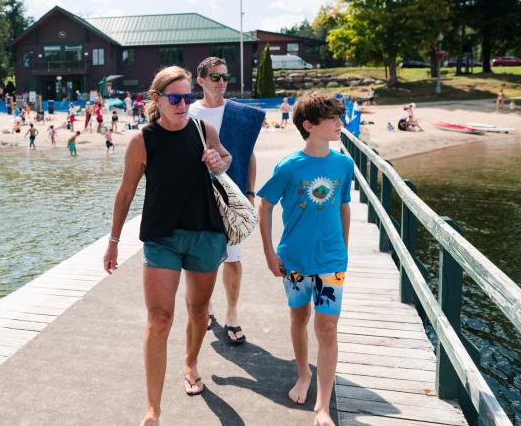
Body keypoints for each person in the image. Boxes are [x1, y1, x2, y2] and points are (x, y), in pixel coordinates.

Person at [102, 66, 231, 426]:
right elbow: (125, 192)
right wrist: (113, 242)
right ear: (156, 100)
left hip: (206, 231)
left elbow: (226, 160)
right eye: (175, 98)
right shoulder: (142, 140)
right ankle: (153, 410)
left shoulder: (203, 129)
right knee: (159, 319)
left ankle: (190, 363)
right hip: (162, 237)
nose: (183, 104)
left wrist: (219, 160)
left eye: (187, 97)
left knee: (198, 310)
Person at [256, 91, 354, 426]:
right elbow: (265, 205)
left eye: (340, 117)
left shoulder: (344, 163)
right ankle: (303, 374)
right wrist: (269, 251)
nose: (340, 122)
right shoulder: (289, 167)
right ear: (309, 125)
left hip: (331, 262)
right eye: (333, 118)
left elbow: (343, 206)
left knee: (327, 328)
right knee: (299, 318)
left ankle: (323, 406)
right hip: (294, 261)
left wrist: (343, 248)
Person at [188, 56, 265, 345]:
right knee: (200, 259)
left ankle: (232, 314)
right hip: (197, 197)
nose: (222, 82)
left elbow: (248, 155)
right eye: (215, 77)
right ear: (201, 80)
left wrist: (250, 193)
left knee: (232, 257)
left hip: (231, 196)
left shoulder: (239, 114)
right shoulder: (189, 112)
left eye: (225, 77)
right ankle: (205, 308)